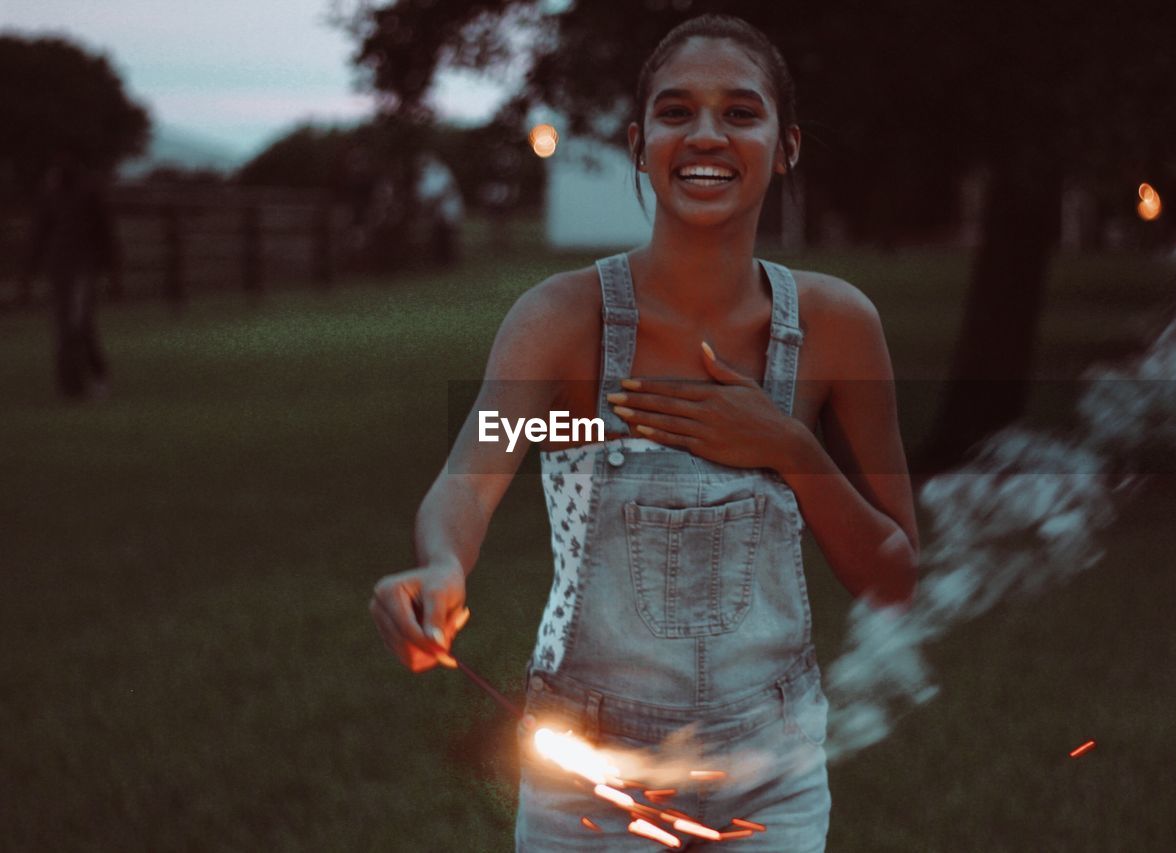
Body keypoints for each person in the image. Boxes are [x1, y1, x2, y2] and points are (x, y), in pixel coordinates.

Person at [369, 14, 919, 851]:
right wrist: (443, 562)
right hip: (584, 781)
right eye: (675, 112)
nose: (706, 134)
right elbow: (472, 480)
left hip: (772, 781)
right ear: (637, 142)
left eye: (741, 112)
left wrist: (789, 447)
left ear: (788, 144)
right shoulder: (562, 320)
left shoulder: (838, 327)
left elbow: (894, 576)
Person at [26, 156, 118, 400]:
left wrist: (109, 266)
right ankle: (72, 385)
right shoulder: (52, 196)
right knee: (67, 325)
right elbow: (40, 232)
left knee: (76, 324)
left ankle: (86, 380)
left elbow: (104, 232)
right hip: (62, 270)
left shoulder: (84, 194)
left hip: (80, 270)